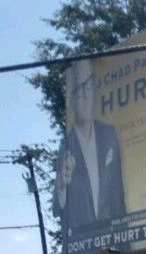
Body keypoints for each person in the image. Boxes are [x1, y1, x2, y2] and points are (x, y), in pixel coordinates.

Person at [54, 59, 126, 241]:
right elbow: (57, 207)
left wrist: (126, 241)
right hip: (80, 244)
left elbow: (117, 197)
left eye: (89, 86)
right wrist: (62, 184)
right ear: (71, 99)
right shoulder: (66, 147)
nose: (85, 95)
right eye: (79, 89)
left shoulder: (109, 135)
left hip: (112, 241)